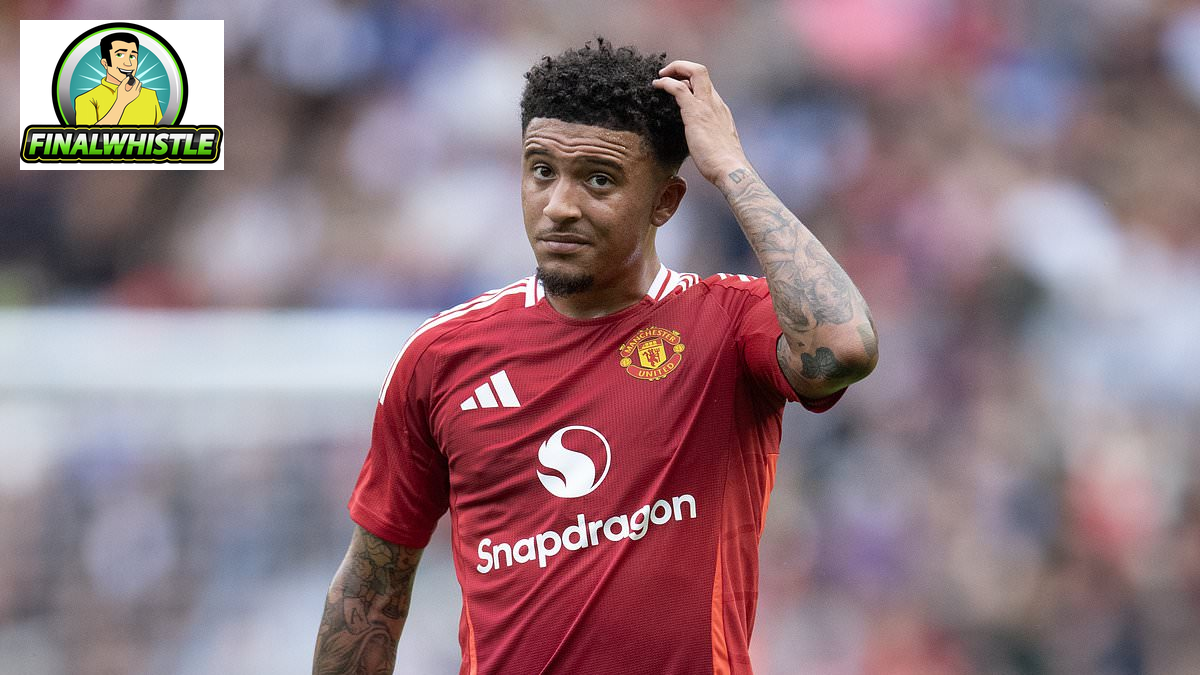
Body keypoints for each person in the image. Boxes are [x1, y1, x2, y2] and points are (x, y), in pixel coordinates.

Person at [313, 38, 878, 674]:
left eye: (598, 179)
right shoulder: (441, 358)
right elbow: (371, 588)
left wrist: (731, 170)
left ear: (665, 202)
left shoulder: (727, 323)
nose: (559, 206)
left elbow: (843, 348)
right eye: (541, 171)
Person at [74, 32, 162, 126]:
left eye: (132, 56)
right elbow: (88, 135)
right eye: (120, 55)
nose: (128, 63)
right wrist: (121, 102)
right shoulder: (86, 100)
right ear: (105, 63)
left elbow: (164, 131)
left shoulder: (150, 95)